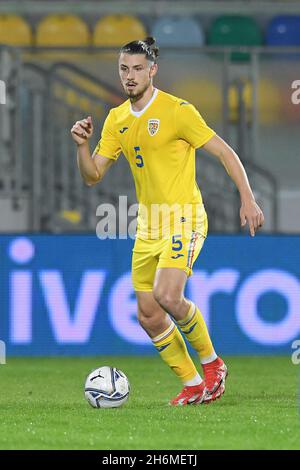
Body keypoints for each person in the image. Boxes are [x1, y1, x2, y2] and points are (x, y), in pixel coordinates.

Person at [71, 37, 264, 406]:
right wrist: (82, 146)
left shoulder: (178, 110)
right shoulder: (117, 119)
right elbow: (93, 174)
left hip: (184, 217)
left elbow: (224, 151)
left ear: (152, 70)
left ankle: (212, 365)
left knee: (167, 295)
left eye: (138, 69)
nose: (130, 76)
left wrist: (247, 197)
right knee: (148, 314)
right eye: (124, 69)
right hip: (148, 226)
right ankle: (193, 385)